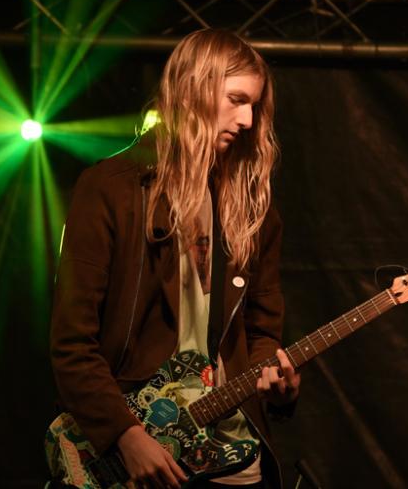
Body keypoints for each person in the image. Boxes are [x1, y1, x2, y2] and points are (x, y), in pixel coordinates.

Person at [50, 28, 299, 488]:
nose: (247, 120)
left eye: (254, 106)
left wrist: (274, 379)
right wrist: (124, 434)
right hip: (136, 445)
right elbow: (72, 342)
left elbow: (262, 329)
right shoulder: (111, 189)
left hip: (233, 453)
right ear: (192, 90)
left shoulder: (253, 209)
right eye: (236, 100)